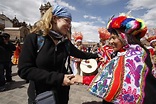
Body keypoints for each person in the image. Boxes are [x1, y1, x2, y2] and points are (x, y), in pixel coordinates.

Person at [18, 5, 101, 104]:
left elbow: (80, 53)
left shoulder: (65, 42)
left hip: (62, 94)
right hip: (41, 95)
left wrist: (97, 56)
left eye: (70, 23)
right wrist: (59, 78)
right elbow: (24, 70)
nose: (69, 25)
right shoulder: (34, 38)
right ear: (54, 19)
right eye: (67, 21)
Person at [72, 15, 156, 104]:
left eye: (113, 38)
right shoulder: (135, 52)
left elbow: (112, 83)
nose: (110, 42)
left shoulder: (132, 57)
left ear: (124, 37)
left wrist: (82, 79)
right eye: (110, 38)